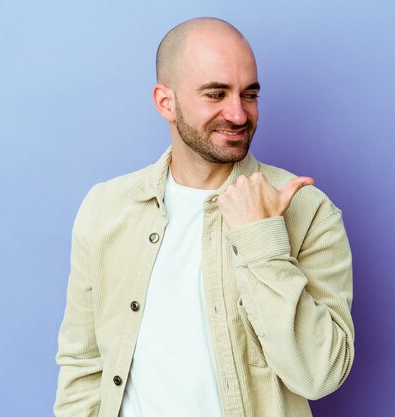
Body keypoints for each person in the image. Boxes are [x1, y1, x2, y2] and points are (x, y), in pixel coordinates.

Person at [54, 17, 354, 417]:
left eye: (249, 94)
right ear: (166, 101)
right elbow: (82, 365)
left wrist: (261, 239)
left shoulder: (307, 209)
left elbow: (321, 374)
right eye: (216, 94)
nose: (238, 114)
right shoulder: (105, 208)